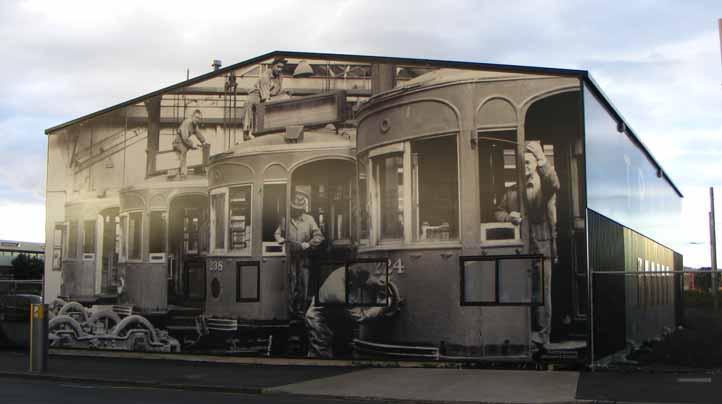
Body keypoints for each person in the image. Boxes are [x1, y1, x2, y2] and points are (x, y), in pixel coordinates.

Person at [494, 141, 559, 344]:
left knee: (542, 293)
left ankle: (542, 335)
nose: (526, 167)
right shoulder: (512, 191)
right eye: (523, 164)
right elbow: (496, 211)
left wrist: (542, 159)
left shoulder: (546, 186)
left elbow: (555, 182)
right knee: (524, 291)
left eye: (530, 163)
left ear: (536, 164)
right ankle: (524, 334)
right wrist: (508, 216)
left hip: (542, 247)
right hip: (520, 248)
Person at [305, 262, 400, 358]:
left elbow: (364, 278)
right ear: (353, 281)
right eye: (358, 284)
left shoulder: (344, 271)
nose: (360, 287)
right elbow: (362, 317)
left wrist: (377, 283)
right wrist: (385, 305)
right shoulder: (340, 295)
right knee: (321, 351)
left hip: (331, 314)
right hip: (318, 319)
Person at [275, 191, 324, 319]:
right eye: (294, 208)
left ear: (303, 209)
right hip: (290, 258)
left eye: (299, 209)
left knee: (304, 285)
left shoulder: (309, 219)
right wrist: (279, 239)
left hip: (304, 259)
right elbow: (277, 234)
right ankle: (291, 312)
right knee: (291, 284)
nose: (296, 211)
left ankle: (302, 313)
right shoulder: (286, 219)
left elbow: (319, 237)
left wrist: (308, 244)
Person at [243, 56, 287, 140]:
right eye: (278, 67)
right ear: (272, 66)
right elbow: (265, 98)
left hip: (270, 95)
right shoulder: (265, 76)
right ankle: (246, 132)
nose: (280, 69)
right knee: (249, 104)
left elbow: (277, 90)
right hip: (257, 94)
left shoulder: (280, 76)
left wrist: (285, 93)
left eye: (281, 67)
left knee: (286, 97)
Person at [173, 109, 207, 179]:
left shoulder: (195, 125)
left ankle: (199, 168)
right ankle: (183, 172)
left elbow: (199, 134)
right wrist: (192, 145)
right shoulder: (187, 122)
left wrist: (204, 142)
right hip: (178, 142)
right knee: (184, 150)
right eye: (196, 118)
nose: (198, 120)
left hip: (185, 142)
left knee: (198, 148)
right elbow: (185, 137)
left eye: (199, 119)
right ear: (192, 117)